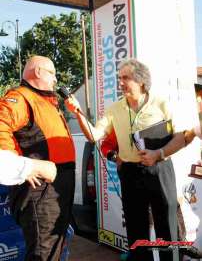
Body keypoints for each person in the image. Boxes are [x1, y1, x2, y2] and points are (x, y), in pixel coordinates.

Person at [66, 58, 188, 261]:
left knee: (167, 226)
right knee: (135, 229)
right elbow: (94, 135)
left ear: (141, 81)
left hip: (160, 168)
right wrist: (77, 112)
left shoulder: (162, 103)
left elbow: (181, 137)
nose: (120, 83)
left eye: (125, 78)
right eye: (119, 78)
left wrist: (159, 154)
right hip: (130, 172)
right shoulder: (114, 109)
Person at [0, 55, 77, 261]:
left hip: (58, 186)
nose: (55, 80)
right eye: (52, 73)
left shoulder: (46, 102)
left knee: (55, 246)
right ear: (38, 72)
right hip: (41, 189)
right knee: (43, 251)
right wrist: (23, 167)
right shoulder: (21, 97)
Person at [100, 128, 202, 260]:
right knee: (138, 225)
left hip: (161, 170)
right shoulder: (120, 117)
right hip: (133, 176)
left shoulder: (161, 112)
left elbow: (182, 136)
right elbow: (106, 146)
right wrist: (115, 157)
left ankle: (180, 247)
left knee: (170, 215)